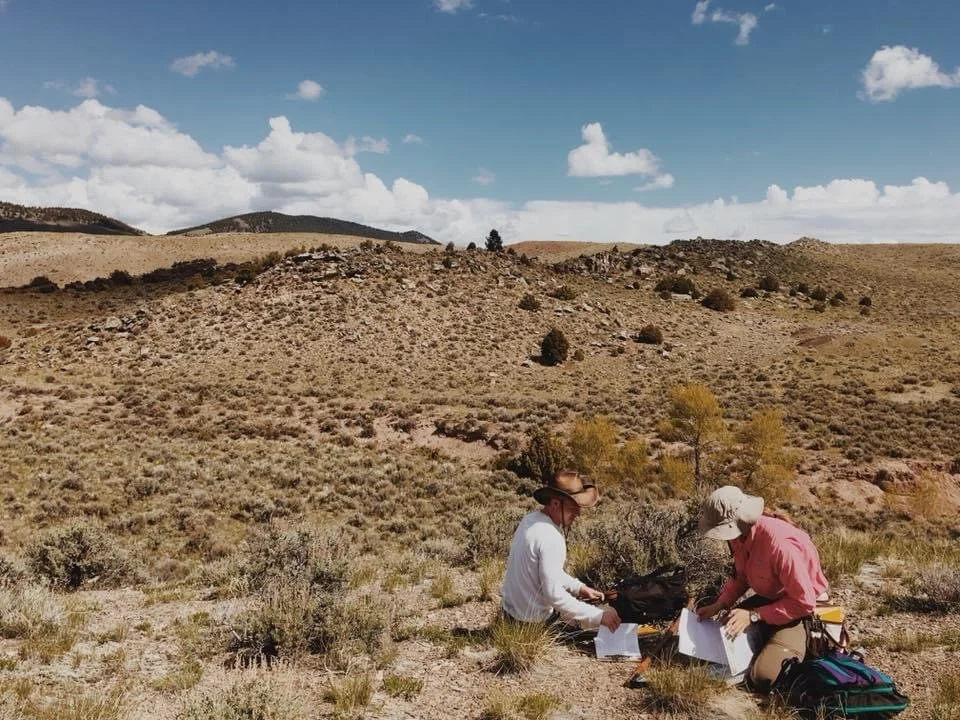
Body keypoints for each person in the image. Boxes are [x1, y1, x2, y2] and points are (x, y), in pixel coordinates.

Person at [696, 485, 829, 693]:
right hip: (771, 599)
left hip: (801, 610)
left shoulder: (781, 546)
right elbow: (741, 577)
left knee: (764, 676)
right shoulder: (739, 537)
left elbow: (803, 602)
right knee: (727, 626)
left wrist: (754, 616)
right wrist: (719, 604)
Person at [500, 470, 621, 632]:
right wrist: (599, 616)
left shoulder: (529, 520)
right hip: (532, 625)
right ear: (556, 503)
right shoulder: (551, 537)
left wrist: (578, 588)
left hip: (508, 615)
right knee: (610, 617)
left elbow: (547, 572)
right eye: (573, 507)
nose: (578, 514)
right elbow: (554, 595)